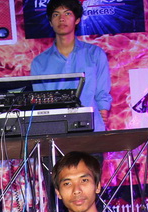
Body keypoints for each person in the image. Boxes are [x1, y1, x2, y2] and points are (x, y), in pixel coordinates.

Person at [30, 0, 111, 131]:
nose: (61, 19)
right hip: (56, 130)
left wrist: (103, 110)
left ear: (77, 20)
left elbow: (102, 91)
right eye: (56, 14)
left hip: (91, 128)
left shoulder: (94, 54)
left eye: (67, 13)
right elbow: (40, 103)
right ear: (50, 22)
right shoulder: (39, 62)